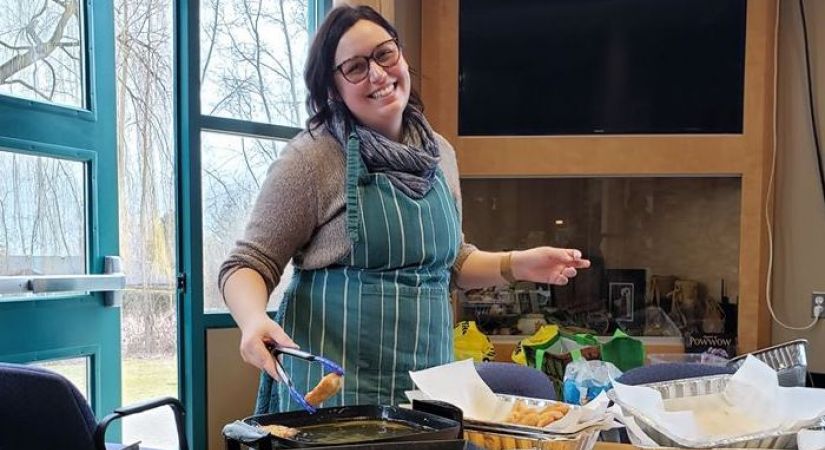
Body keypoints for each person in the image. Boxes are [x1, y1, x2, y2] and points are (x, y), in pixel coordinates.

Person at [219, 5, 591, 414]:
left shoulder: (440, 154)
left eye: (384, 54)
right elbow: (247, 263)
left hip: (427, 395)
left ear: (402, 56)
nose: (378, 74)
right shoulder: (313, 158)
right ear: (332, 86)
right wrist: (253, 320)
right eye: (356, 67)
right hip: (338, 403)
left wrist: (519, 264)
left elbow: (451, 262)